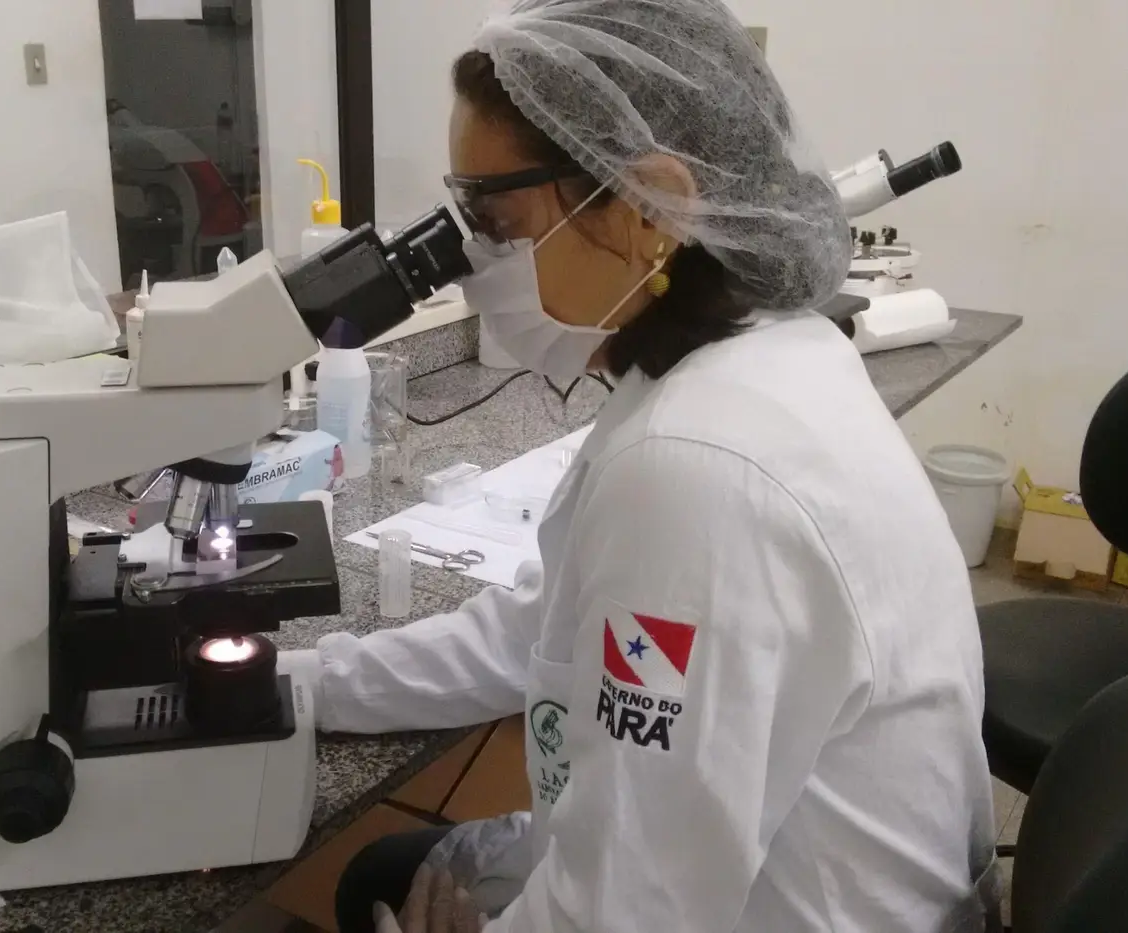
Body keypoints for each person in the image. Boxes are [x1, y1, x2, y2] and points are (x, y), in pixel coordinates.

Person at [285, 2, 1000, 930]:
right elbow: (541, 628)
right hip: (763, 859)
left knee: (382, 885)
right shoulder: (758, 353)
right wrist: (304, 682)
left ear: (649, 206)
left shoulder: (700, 468)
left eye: (497, 219)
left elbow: (635, 909)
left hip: (787, 907)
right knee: (386, 867)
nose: (473, 262)